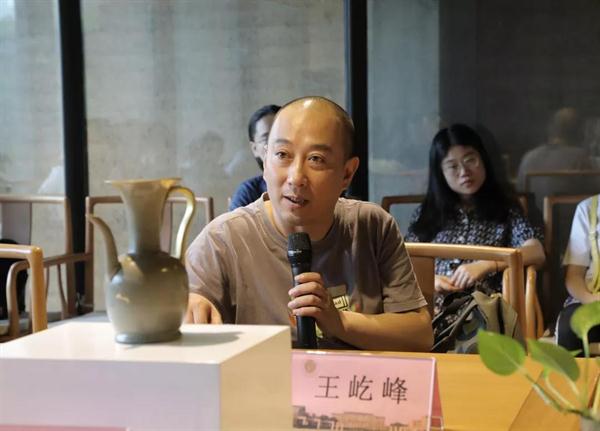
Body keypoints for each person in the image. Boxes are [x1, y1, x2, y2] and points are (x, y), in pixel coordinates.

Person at [185, 96, 433, 351]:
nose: (296, 177)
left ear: (347, 173)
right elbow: (186, 316)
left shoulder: (372, 226)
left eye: (316, 159)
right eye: (282, 155)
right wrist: (188, 311)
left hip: (356, 376)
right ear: (265, 161)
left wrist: (340, 323)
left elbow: (420, 335)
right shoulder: (222, 240)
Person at [405, 124, 545, 329]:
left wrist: (486, 264)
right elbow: (403, 262)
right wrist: (430, 280)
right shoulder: (426, 214)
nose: (464, 172)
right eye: (453, 166)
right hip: (431, 314)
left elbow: (536, 251)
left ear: (483, 159)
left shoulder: (505, 209)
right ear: (440, 172)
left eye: (470, 160)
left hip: (484, 314)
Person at [555, 195, 600, 353]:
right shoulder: (588, 208)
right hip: (593, 298)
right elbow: (574, 276)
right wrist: (591, 300)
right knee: (569, 328)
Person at [229, 104, 281, 211]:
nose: (278, 144)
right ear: (255, 149)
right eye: (266, 139)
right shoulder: (248, 192)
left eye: (282, 135)